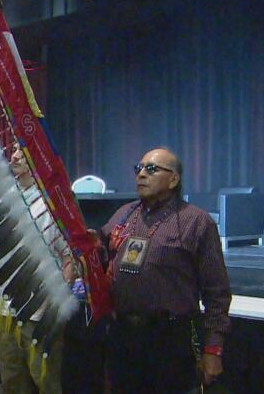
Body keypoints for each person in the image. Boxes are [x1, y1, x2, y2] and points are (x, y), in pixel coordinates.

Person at [97, 147, 231, 392]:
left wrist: (213, 349)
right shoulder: (123, 215)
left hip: (170, 340)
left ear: (174, 179)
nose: (141, 175)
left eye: (151, 169)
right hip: (123, 336)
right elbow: (101, 257)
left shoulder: (196, 222)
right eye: (139, 168)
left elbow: (217, 294)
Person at [0, 144, 74, 394]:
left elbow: (71, 259)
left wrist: (57, 303)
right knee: (11, 380)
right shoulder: (1, 199)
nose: (14, 156)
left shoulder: (54, 202)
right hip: (3, 307)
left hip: (41, 310)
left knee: (45, 381)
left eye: (22, 150)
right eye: (13, 150)